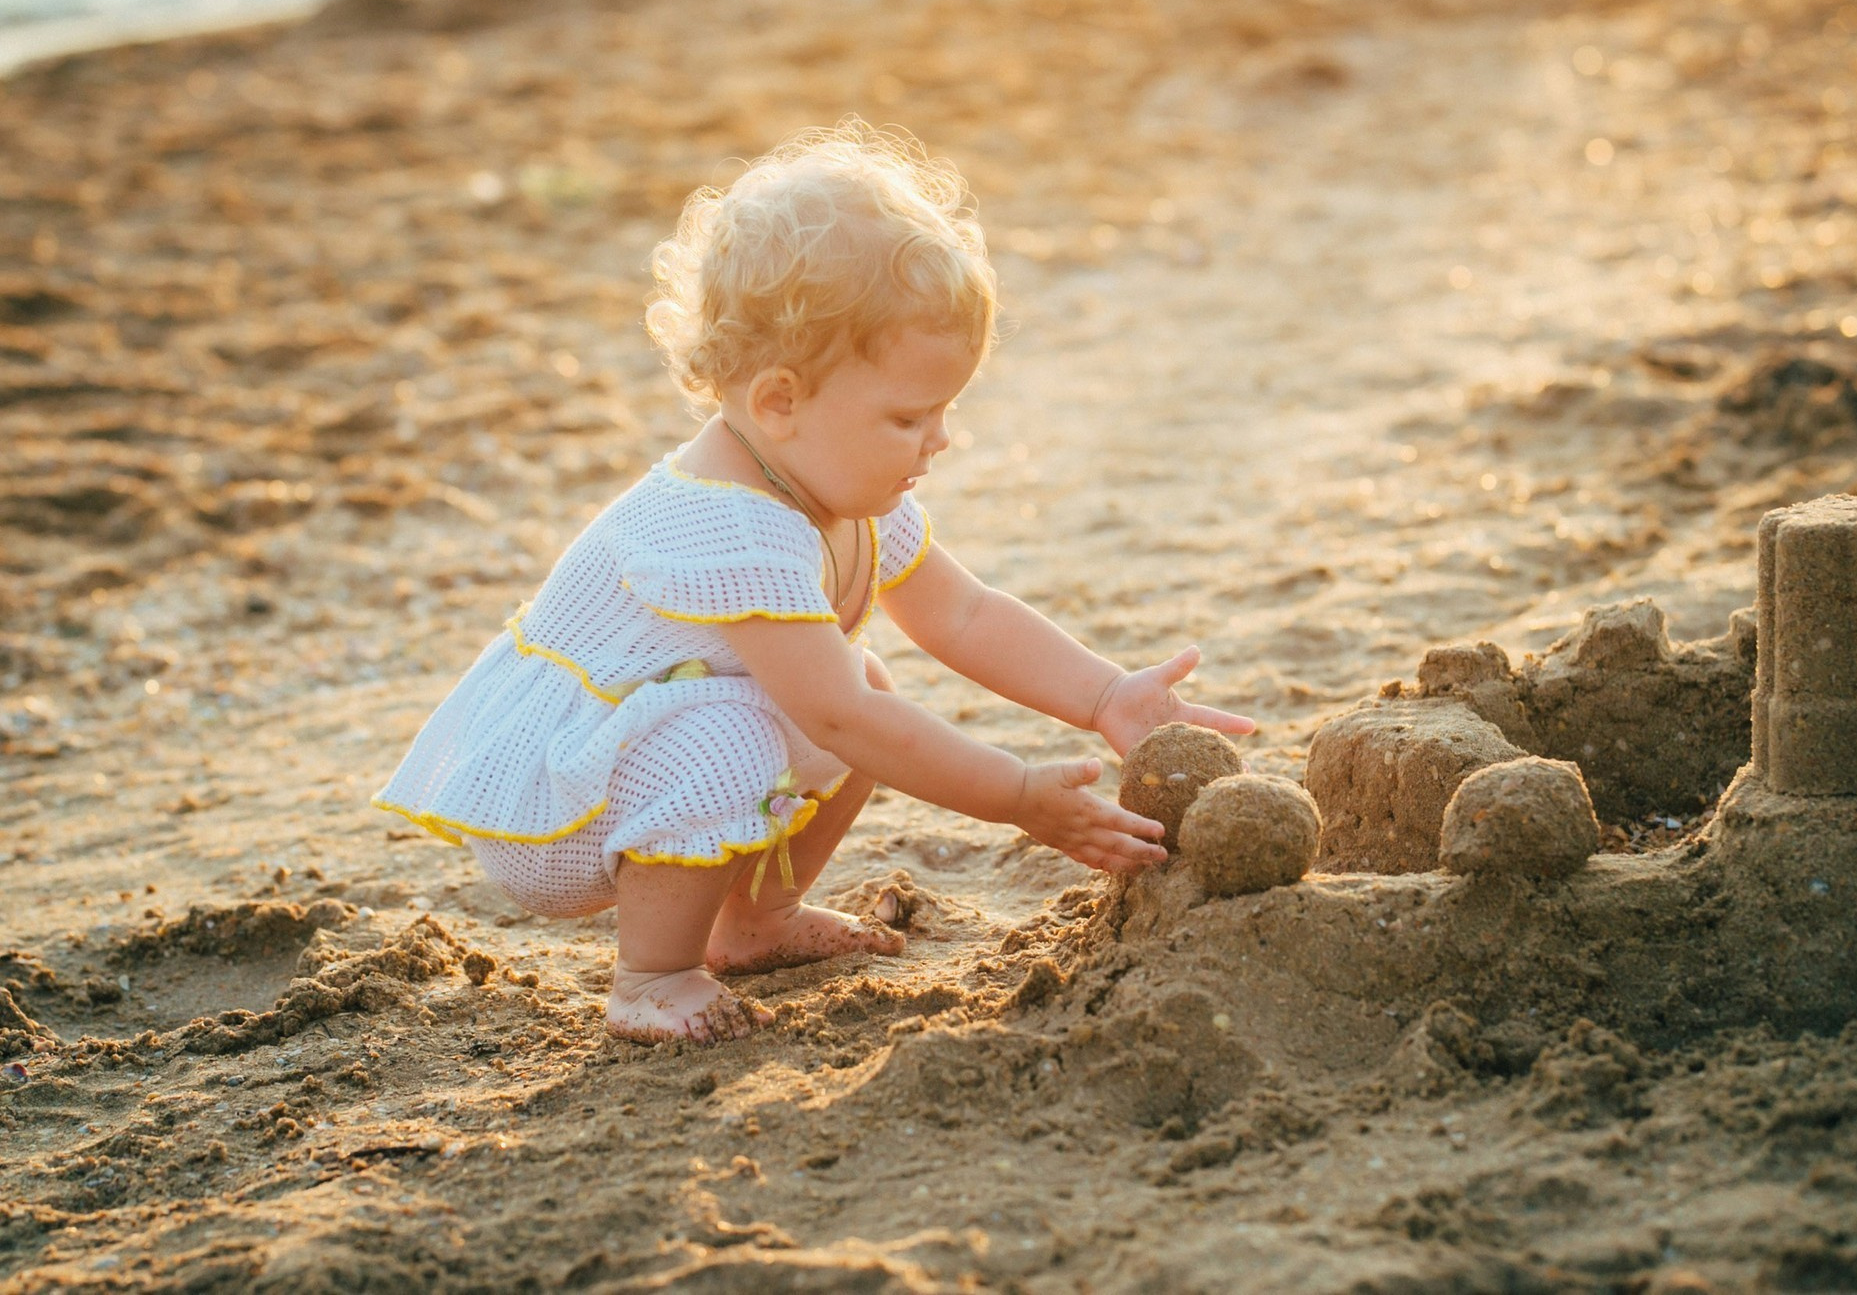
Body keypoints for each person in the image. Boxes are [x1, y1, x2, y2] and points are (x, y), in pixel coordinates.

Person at [374, 120, 1255, 1044]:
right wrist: (1018, 797)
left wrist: (1105, 694)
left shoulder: (835, 486)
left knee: (860, 682)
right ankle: (651, 975)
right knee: (777, 720)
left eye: (946, 410)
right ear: (780, 401)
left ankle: (750, 926)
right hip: (563, 807)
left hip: (642, 763)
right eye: (911, 415)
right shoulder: (726, 523)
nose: (941, 440)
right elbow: (838, 723)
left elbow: (961, 613)